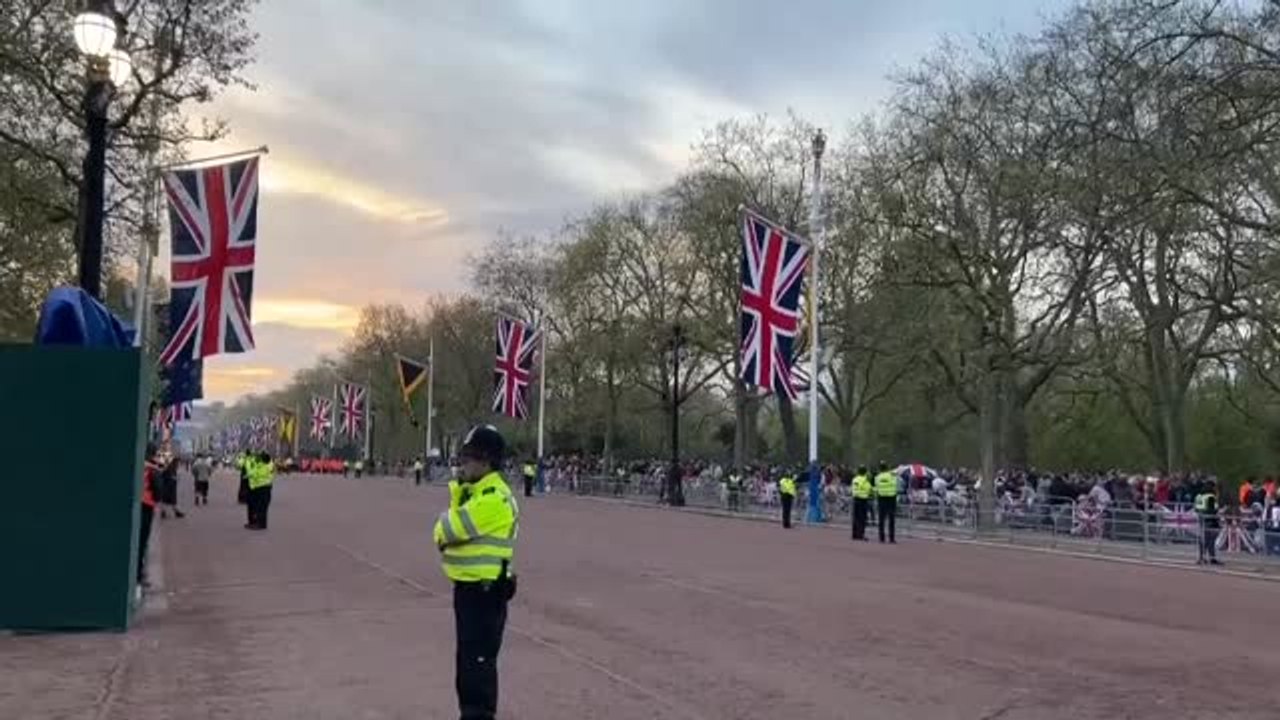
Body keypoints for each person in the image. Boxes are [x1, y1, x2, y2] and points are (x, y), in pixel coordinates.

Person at [433, 424, 519, 720]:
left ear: (486, 460)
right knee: (468, 667)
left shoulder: (494, 498)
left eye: (469, 458)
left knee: (478, 671)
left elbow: (446, 529)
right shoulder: (476, 494)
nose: (463, 463)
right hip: (470, 592)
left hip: (485, 595)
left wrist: (449, 518)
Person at [137, 444, 162, 588]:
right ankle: (139, 575)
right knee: (142, 542)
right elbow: (158, 491)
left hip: (138, 503)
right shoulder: (153, 469)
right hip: (147, 505)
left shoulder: (140, 466)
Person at [245, 451, 275, 530]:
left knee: (261, 507)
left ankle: (260, 524)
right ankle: (260, 524)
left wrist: (250, 467)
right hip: (265, 487)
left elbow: (254, 474)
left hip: (262, 488)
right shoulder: (270, 464)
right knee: (262, 507)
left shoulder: (262, 466)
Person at [1195, 481, 1222, 565]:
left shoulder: (1199, 496)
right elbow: (1212, 510)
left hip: (1201, 519)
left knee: (1203, 540)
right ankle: (1210, 557)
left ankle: (1202, 557)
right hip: (1210, 520)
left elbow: (1196, 508)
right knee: (1210, 540)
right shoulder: (1211, 497)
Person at [874, 461, 898, 544]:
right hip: (891, 498)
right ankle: (891, 538)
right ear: (887, 468)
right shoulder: (892, 476)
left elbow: (876, 488)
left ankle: (881, 537)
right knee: (891, 519)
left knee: (881, 519)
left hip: (881, 498)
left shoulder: (877, 477)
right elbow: (895, 485)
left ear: (880, 468)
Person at [851, 466, 872, 541]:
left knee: (855, 517)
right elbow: (869, 489)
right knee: (862, 518)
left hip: (855, 499)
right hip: (863, 500)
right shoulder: (865, 480)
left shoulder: (855, 479)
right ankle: (861, 534)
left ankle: (854, 534)